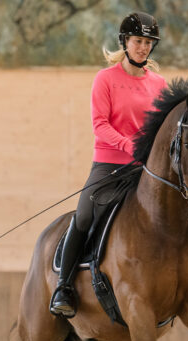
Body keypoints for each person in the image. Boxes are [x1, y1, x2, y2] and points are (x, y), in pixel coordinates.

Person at [49, 11, 168, 318]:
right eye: (138, 41)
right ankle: (63, 285)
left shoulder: (159, 84)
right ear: (125, 42)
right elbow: (100, 125)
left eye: (148, 43)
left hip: (145, 169)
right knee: (86, 213)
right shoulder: (106, 79)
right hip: (109, 164)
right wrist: (132, 147)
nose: (143, 47)